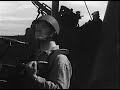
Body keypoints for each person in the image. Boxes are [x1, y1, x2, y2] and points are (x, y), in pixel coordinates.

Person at [17, 15, 72, 89]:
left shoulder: (60, 59)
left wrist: (35, 78)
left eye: (43, 27)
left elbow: (60, 87)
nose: (38, 30)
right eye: (36, 27)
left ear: (53, 32)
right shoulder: (38, 55)